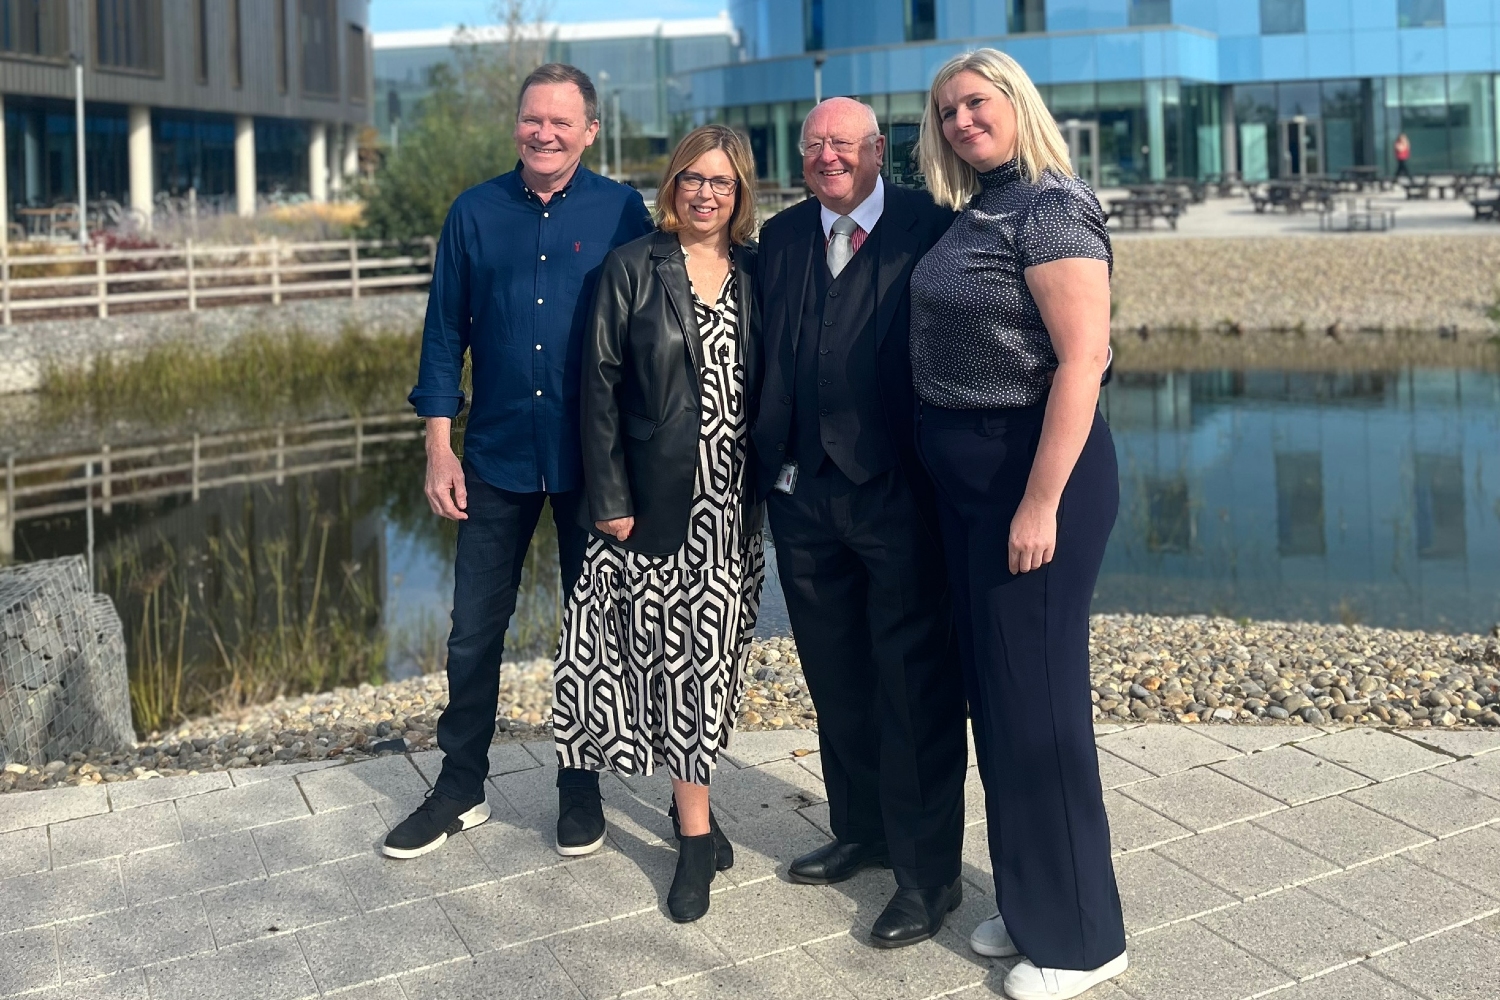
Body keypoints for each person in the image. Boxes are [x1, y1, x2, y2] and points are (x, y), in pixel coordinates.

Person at [387, 64, 653, 861]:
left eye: (561, 123)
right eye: (532, 120)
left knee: (590, 635)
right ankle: (460, 787)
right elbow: (443, 338)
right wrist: (439, 448)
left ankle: (580, 788)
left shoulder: (621, 211)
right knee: (473, 633)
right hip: (495, 457)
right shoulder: (473, 213)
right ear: (517, 126)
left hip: (591, 463)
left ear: (590, 132)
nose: (544, 134)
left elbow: (648, 337)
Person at [909, 49, 1127, 1000]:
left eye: (976, 102)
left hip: (1035, 478)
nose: (962, 120)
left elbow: (1083, 361)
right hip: (969, 483)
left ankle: (1085, 939)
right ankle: (1037, 898)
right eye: (947, 110)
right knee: (997, 702)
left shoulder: (1053, 205)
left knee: (1038, 709)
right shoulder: (979, 207)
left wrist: (1038, 501)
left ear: (1015, 103)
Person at [752, 97, 967, 948]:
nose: (827, 157)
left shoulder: (933, 226)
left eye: (843, 143)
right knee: (834, 673)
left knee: (912, 685)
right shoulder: (781, 237)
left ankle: (929, 879)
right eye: (813, 146)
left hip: (899, 495)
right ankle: (862, 830)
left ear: (880, 149)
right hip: (803, 495)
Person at [552, 125, 764, 923]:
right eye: (691, 179)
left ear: (741, 192)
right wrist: (609, 496)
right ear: (671, 187)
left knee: (714, 666)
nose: (704, 193)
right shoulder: (633, 267)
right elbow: (598, 388)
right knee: (674, 667)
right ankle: (697, 836)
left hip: (733, 511)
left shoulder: (756, 272)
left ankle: (691, 810)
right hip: (654, 504)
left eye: (721, 181)